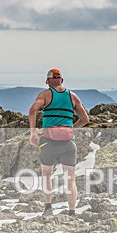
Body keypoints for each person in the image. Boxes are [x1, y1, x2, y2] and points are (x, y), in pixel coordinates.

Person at [29, 68, 90, 216]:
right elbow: (85, 119)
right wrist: (71, 128)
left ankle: (48, 208)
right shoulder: (72, 96)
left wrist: (33, 132)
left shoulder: (45, 95)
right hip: (68, 143)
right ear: (61, 80)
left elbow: (33, 110)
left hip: (48, 142)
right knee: (70, 179)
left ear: (47, 81)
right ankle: (72, 212)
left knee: (46, 173)